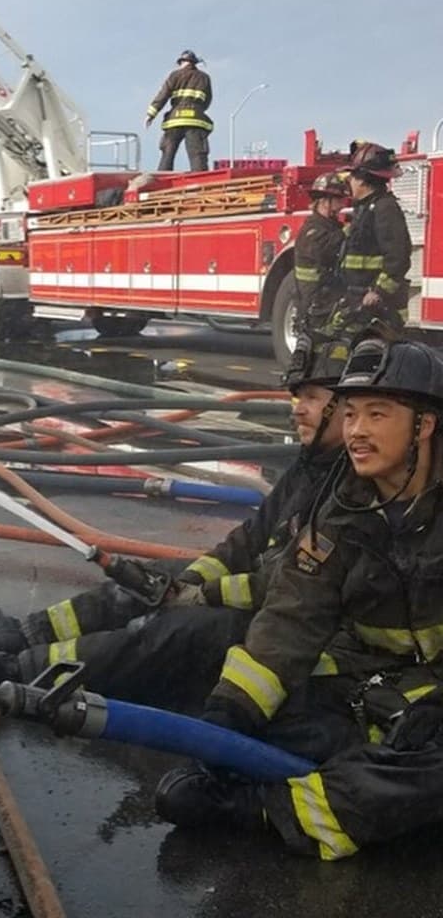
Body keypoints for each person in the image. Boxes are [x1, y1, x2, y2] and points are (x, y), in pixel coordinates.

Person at [155, 334, 443, 860]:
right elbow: (292, 616)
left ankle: (258, 810)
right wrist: (229, 719)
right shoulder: (342, 509)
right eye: (351, 414)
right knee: (264, 699)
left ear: (423, 426)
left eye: (377, 415)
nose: (356, 431)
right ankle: (354, 785)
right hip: (373, 688)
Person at [0, 337, 348, 706]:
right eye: (297, 397)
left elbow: (289, 589)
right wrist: (191, 579)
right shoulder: (311, 466)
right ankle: (23, 636)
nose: (297, 409)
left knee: (173, 631)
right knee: (147, 580)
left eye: (311, 398)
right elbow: (251, 537)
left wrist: (199, 596)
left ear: (350, 408)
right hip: (266, 599)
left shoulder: (353, 491)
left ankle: (22, 672)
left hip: (303, 630)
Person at [321, 141, 412, 341]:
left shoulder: (385, 208)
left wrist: (378, 292)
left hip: (379, 309)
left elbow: (398, 257)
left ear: (362, 180)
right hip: (359, 301)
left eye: (352, 176)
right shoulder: (365, 209)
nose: (350, 182)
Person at [293, 173, 349, 340]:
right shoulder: (312, 231)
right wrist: (348, 231)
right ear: (324, 201)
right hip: (316, 304)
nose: (341, 205)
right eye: (338, 200)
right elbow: (325, 250)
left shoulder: (330, 228)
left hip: (328, 302)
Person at [144, 50, 213, 173]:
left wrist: (151, 114)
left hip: (175, 121)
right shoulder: (204, 78)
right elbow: (207, 101)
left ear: (182, 62)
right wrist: (197, 110)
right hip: (195, 122)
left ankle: (163, 180)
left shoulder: (175, 75)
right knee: (197, 156)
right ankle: (200, 183)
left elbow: (163, 95)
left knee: (167, 154)